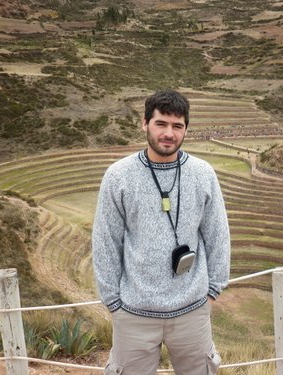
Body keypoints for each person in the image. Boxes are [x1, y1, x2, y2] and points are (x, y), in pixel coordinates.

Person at [92, 89, 231, 375]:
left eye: (177, 126)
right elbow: (106, 241)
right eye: (161, 124)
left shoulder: (203, 173)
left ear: (185, 130)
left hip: (192, 310)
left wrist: (212, 291)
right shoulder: (119, 176)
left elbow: (218, 234)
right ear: (145, 123)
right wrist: (114, 303)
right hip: (133, 313)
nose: (169, 133)